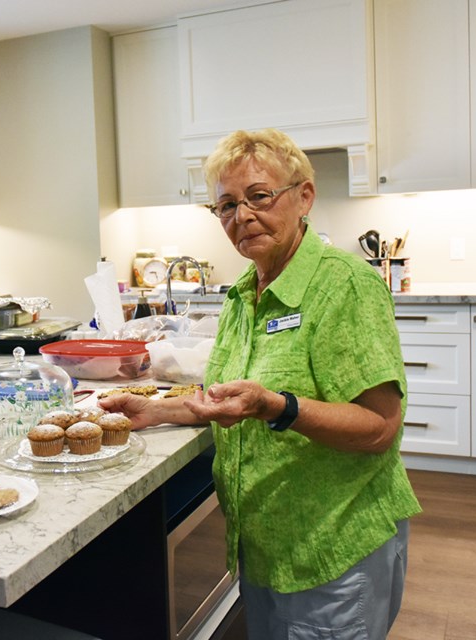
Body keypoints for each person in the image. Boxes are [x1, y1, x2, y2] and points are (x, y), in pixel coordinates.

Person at [99, 128, 421, 639]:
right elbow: (229, 400)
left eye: (259, 196)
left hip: (333, 550)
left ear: (304, 197)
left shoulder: (344, 286)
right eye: (225, 205)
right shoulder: (245, 292)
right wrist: (157, 411)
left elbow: (380, 427)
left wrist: (278, 407)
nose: (242, 216)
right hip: (266, 549)